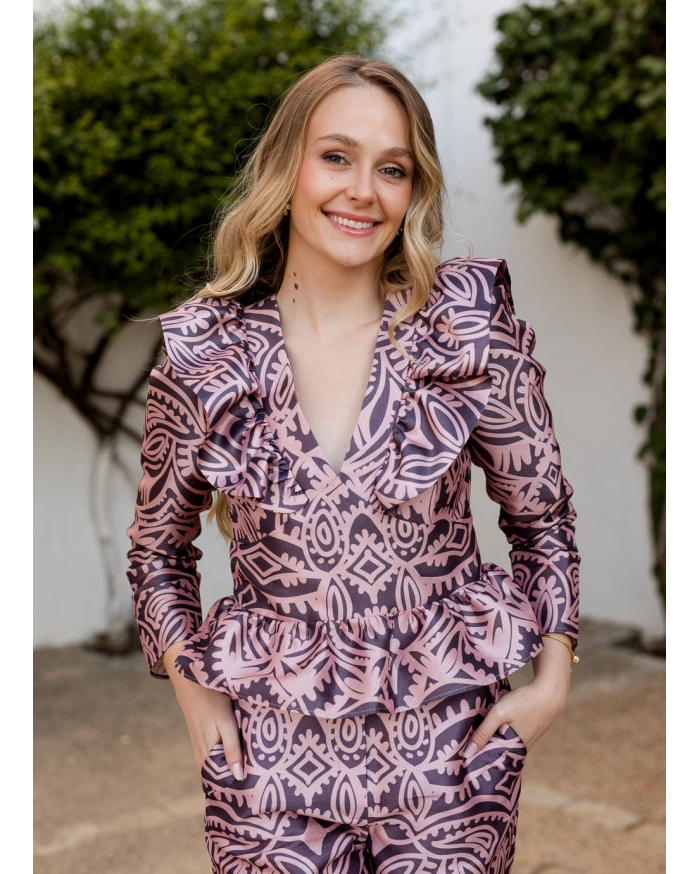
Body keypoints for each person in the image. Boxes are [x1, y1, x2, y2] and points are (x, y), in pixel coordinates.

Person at [126, 53, 579, 874]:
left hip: (448, 753)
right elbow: (158, 551)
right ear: (287, 166)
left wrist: (551, 677)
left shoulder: (467, 335)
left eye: (393, 168)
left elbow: (542, 521)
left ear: (415, 189)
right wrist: (193, 691)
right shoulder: (207, 355)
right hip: (269, 760)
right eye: (336, 156)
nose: (363, 191)